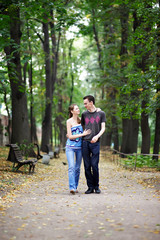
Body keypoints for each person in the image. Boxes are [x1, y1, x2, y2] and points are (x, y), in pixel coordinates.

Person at [81, 95, 106, 194]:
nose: (85, 105)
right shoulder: (84, 114)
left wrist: (97, 136)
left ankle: (96, 186)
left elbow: (103, 128)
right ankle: (90, 187)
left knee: (94, 165)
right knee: (87, 166)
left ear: (91, 102)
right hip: (85, 142)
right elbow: (82, 126)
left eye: (86, 103)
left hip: (96, 143)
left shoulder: (101, 113)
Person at [66, 104, 91, 194]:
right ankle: (72, 187)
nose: (78, 109)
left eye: (78, 108)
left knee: (77, 168)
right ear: (72, 111)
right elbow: (70, 136)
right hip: (70, 148)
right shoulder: (69, 121)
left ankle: (75, 186)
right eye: (76, 108)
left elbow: (91, 115)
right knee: (71, 167)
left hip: (80, 148)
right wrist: (82, 135)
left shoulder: (81, 120)